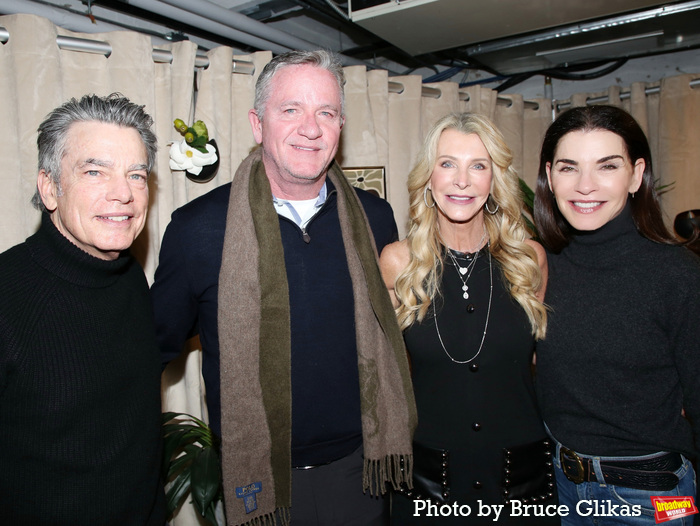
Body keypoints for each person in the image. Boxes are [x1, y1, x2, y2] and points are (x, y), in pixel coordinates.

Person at [151, 50, 416, 526]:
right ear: (258, 124)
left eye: (326, 113)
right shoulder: (197, 230)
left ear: (340, 126)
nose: (311, 128)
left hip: (361, 471)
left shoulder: (376, 218)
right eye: (290, 109)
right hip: (260, 480)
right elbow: (152, 346)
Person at [380, 112, 558, 525]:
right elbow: (382, 376)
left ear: (494, 181)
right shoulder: (398, 263)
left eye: (478, 166)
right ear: (428, 179)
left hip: (522, 484)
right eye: (447, 164)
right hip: (430, 486)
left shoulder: (528, 260)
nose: (462, 180)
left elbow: (542, 366)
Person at [0, 94, 165, 525]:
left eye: (136, 174)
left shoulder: (130, 277)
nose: (123, 194)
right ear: (50, 187)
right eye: (95, 171)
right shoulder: (7, 295)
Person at [533, 105, 700, 525]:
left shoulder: (677, 274)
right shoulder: (537, 264)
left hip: (654, 497)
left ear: (636, 174)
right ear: (550, 176)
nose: (585, 186)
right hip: (557, 484)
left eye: (606, 166)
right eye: (569, 168)